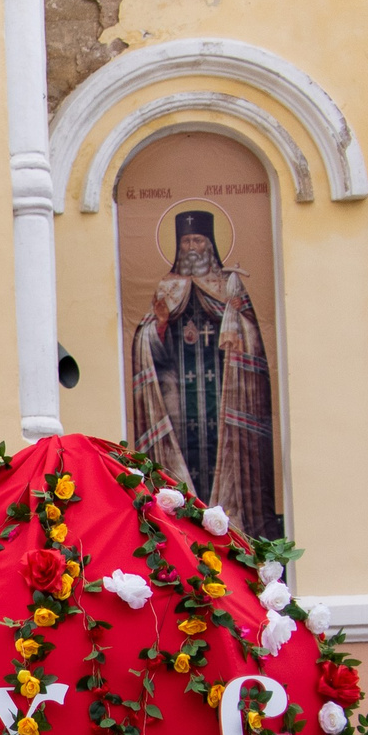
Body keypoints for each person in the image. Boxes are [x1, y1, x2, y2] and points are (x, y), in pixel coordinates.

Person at [128, 208, 278, 538]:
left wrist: (237, 323)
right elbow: (145, 343)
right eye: (186, 242)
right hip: (179, 404)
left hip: (223, 397)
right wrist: (160, 324)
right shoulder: (167, 288)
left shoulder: (229, 286)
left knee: (224, 459)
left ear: (210, 244)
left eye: (198, 240)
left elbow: (252, 338)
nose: (192, 248)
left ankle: (236, 524)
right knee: (183, 462)